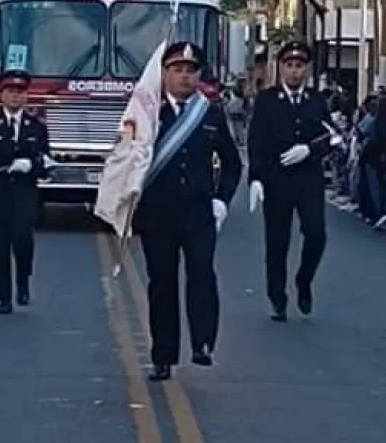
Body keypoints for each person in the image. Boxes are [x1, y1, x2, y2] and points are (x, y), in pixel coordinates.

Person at [132, 42, 241, 382]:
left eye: (191, 71)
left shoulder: (209, 113)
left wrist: (222, 198)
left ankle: (203, 342)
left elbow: (232, 163)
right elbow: (124, 158)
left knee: (202, 274)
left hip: (197, 210)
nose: (184, 76)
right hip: (157, 212)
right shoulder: (146, 111)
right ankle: (163, 355)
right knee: (162, 283)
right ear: (164, 74)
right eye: (177, 70)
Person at [247, 40, 340, 322]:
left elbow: (334, 137)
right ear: (281, 68)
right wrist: (256, 178)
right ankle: (277, 298)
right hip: (277, 180)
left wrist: (310, 150)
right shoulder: (266, 100)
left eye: (300, 66)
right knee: (277, 243)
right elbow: (256, 141)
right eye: (289, 65)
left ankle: (304, 281)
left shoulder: (316, 100)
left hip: (308, 179)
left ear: (307, 69)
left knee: (316, 235)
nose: (295, 72)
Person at [0, 69, 50, 314]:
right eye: (10, 92)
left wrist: (32, 165)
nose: (15, 97)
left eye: (20, 92)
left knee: (22, 240)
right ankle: (3, 297)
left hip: (24, 193)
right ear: (1, 95)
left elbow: (46, 161)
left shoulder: (36, 127)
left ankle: (23, 284)